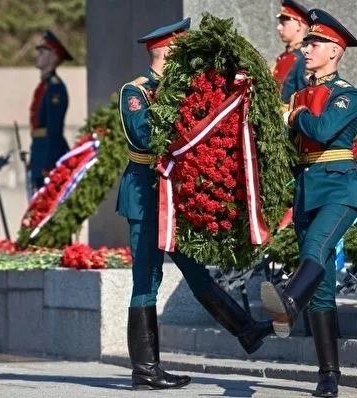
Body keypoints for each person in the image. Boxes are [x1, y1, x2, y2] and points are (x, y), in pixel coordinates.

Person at [117, 18, 274, 390]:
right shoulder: (136, 92)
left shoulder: (183, 90)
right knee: (146, 281)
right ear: (168, 53)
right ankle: (145, 369)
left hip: (177, 197)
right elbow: (142, 138)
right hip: (146, 198)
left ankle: (246, 330)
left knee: (196, 271)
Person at [260, 9, 357, 398]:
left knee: (317, 248)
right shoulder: (299, 93)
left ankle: (288, 302)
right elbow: (289, 142)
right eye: (306, 43)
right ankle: (328, 376)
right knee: (320, 291)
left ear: (335, 51)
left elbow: (321, 130)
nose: (307, 49)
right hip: (307, 191)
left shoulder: (345, 94)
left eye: (315, 44)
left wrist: (296, 115)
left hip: (340, 190)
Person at [25, 31, 72, 194]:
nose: (38, 55)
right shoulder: (44, 86)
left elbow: (54, 129)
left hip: (48, 158)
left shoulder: (55, 88)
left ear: (53, 57)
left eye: (43, 51)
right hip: (39, 154)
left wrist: (48, 164)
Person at [273, 0, 310, 109]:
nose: (278, 27)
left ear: (299, 24)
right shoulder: (285, 56)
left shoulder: (305, 58)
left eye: (283, 23)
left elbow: (305, 103)